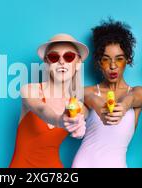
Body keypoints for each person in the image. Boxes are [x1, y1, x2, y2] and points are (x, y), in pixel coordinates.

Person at [72, 19, 142, 168]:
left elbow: (134, 98)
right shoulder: (88, 92)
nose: (113, 66)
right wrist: (97, 104)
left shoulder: (137, 92)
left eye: (119, 59)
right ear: (99, 62)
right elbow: (85, 96)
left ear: (128, 60)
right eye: (106, 60)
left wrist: (124, 105)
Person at [9, 33, 89, 168]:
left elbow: (83, 117)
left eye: (69, 57)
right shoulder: (30, 90)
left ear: (78, 63)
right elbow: (42, 109)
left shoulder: (77, 105)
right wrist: (59, 120)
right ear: (47, 62)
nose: (62, 61)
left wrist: (79, 127)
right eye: (54, 57)